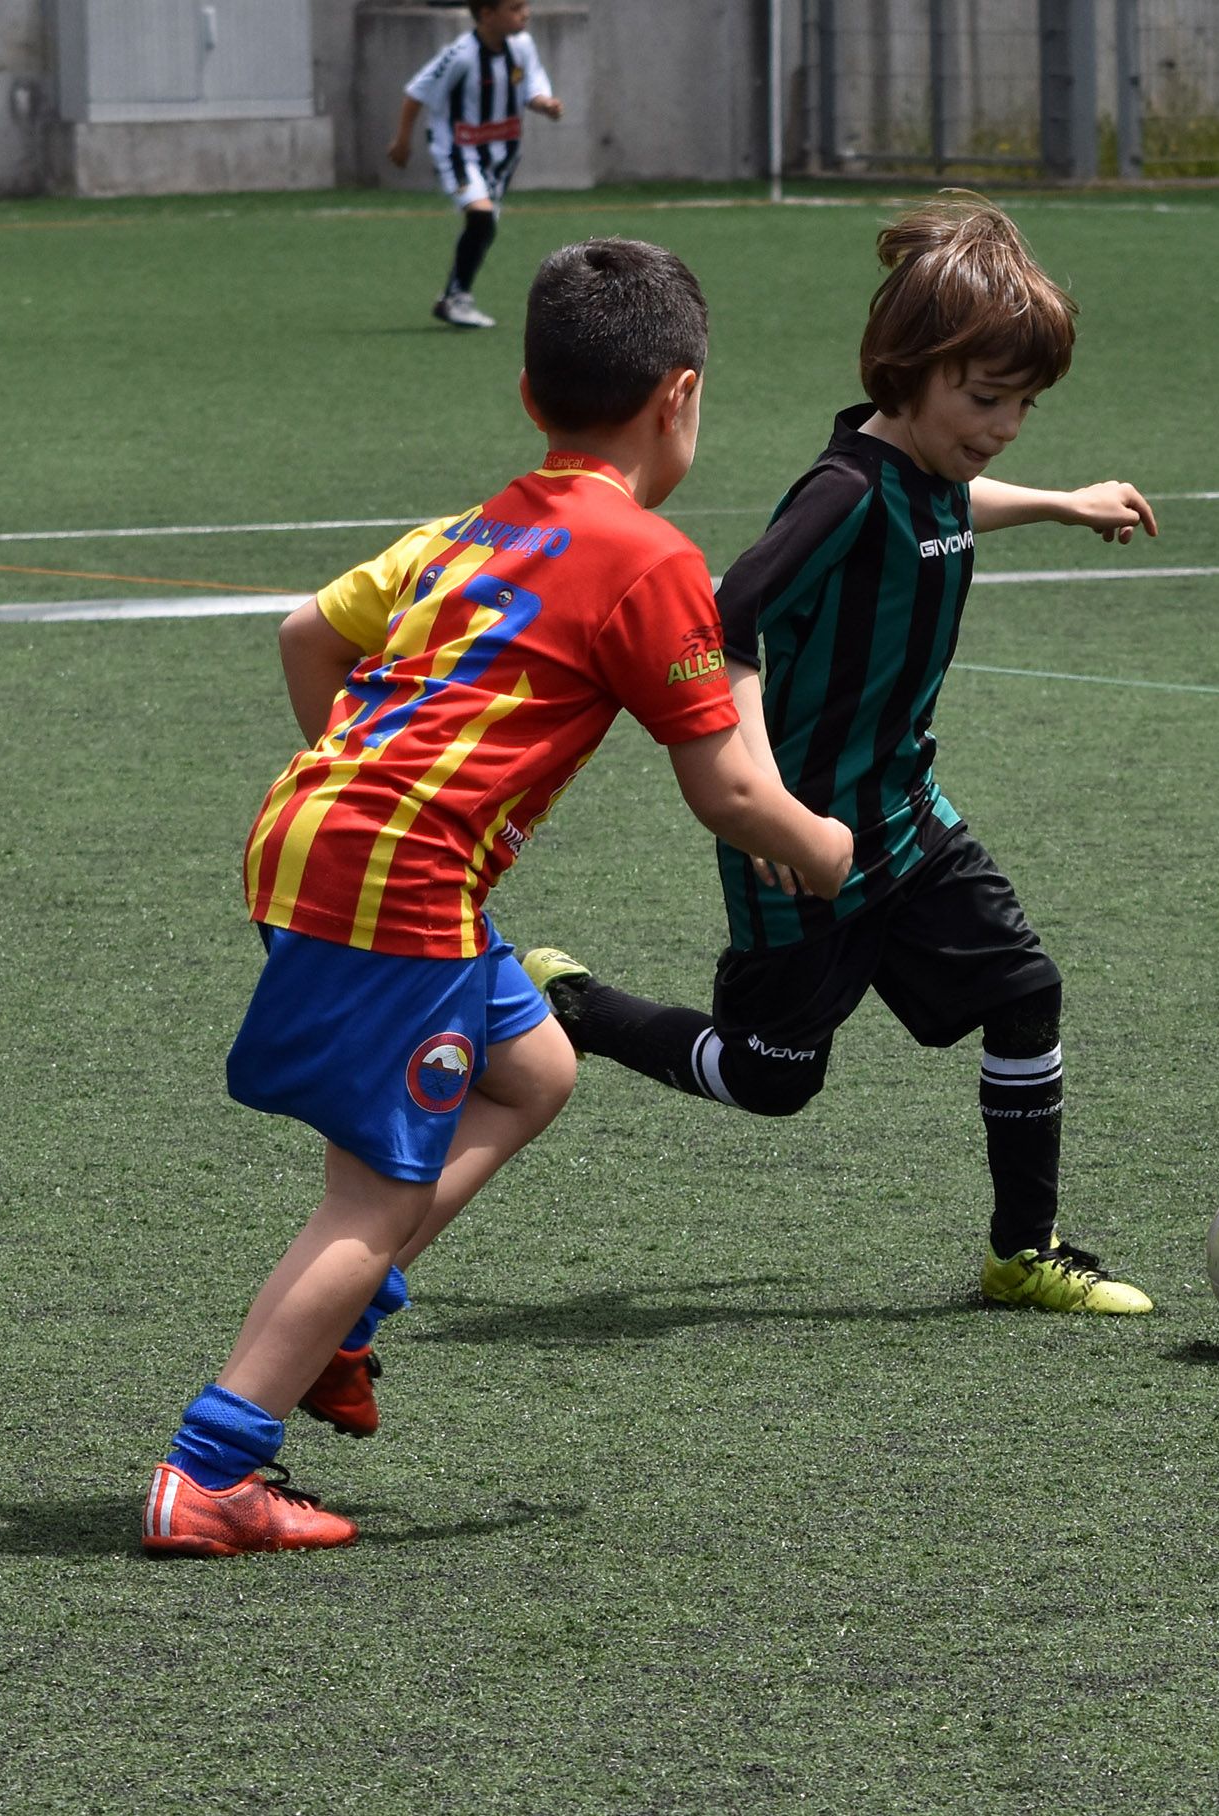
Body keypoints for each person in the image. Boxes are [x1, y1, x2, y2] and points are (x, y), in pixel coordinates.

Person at [143, 240, 853, 1557]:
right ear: (681, 398)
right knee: (371, 1196)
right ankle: (214, 1471)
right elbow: (731, 795)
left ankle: (344, 1325)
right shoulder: (648, 558)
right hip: (398, 878)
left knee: (532, 1070)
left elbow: (309, 633)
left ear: (531, 397)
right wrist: (828, 850)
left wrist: (364, 786)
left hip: (308, 831)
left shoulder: (471, 529)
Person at [522, 194, 1163, 1318]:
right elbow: (729, 615)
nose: (1006, 424)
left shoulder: (925, 466)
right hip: (800, 840)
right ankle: (572, 1002)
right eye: (985, 398)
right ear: (907, 371)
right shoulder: (842, 491)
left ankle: (1024, 1251)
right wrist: (764, 797)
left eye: (1023, 403)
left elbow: (951, 499)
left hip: (907, 817)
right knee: (771, 1078)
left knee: (1026, 992)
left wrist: (1063, 504)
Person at [388, 0, 563, 330]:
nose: (525, 13)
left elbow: (531, 86)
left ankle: (453, 296)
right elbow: (417, 92)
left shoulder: (522, 46)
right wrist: (402, 140)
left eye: (525, 5)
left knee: (484, 225)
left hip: (502, 155)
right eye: (514, 7)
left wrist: (545, 104)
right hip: (458, 152)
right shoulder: (461, 55)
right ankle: (456, 299)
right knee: (481, 217)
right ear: (486, 15)